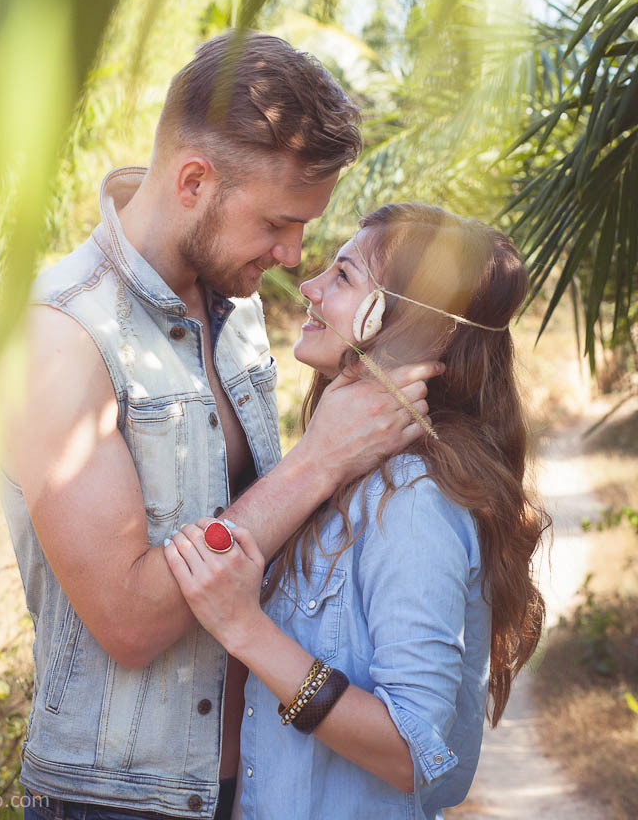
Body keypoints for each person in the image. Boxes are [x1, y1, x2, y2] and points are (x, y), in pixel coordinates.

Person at [0, 34, 441, 820]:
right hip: (118, 803)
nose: (293, 254)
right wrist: (319, 461)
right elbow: (129, 621)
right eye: (278, 222)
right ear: (195, 180)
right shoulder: (64, 333)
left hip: (255, 787)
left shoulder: (233, 315)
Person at [164, 203, 548, 820]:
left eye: (342, 278)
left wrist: (245, 629)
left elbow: (411, 754)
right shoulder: (344, 471)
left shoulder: (416, 500)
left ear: (416, 325)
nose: (309, 288)